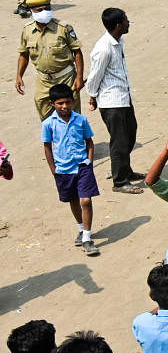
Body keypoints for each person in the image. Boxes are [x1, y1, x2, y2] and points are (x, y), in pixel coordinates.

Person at [85, 7, 142, 192]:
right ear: (118, 25)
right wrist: (92, 96)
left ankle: (126, 170)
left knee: (130, 134)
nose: (128, 23)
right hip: (111, 102)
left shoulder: (119, 41)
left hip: (124, 97)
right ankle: (119, 181)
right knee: (119, 141)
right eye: (126, 20)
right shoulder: (103, 49)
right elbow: (94, 76)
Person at [41, 82, 100, 256]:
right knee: (73, 200)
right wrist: (54, 170)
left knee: (85, 201)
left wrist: (89, 161)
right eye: (60, 103)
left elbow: (89, 141)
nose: (65, 106)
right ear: (53, 104)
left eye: (68, 102)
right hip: (63, 170)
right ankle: (82, 228)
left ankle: (87, 239)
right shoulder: (48, 124)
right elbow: (47, 147)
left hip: (82, 166)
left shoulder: (81, 120)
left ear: (73, 102)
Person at [16, 0, 84, 120]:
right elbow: (23, 55)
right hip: (43, 80)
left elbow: (77, 52)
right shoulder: (27, 31)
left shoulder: (63, 28)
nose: (45, 12)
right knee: (45, 114)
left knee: (71, 115)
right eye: (40, 10)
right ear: (32, 12)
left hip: (66, 77)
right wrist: (19, 76)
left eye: (47, 8)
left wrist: (79, 77)